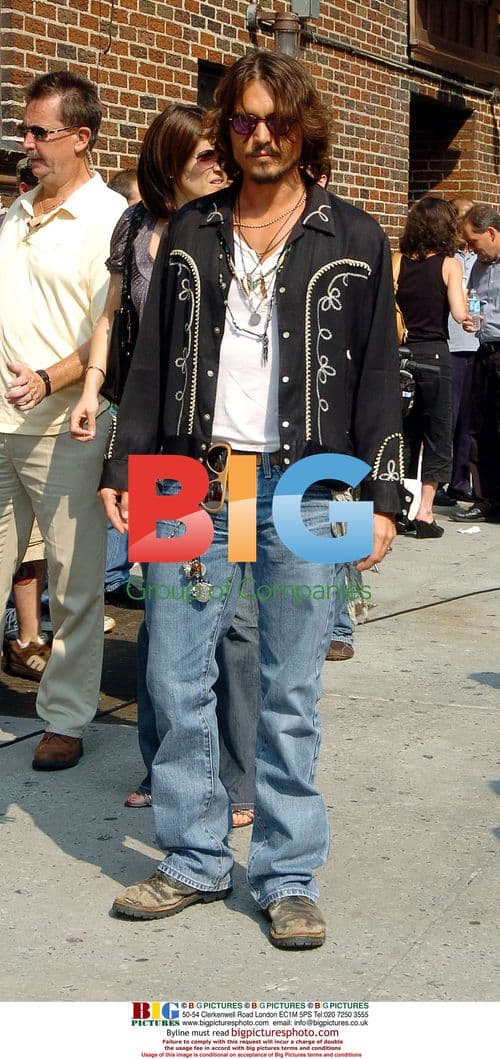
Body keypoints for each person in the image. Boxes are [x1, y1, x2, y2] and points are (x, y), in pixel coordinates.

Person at [100, 50, 402, 949]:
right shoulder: (187, 228)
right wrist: (125, 466)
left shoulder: (356, 235)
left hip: (317, 481)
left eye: (276, 120)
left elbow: (381, 376)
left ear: (306, 126)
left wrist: (382, 494)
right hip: (184, 472)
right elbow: (147, 361)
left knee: (293, 684)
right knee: (172, 671)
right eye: (242, 120)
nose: (259, 135)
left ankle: (286, 872)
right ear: (224, 129)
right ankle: (193, 857)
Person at [71, 103, 260, 826]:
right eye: (206, 152)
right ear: (170, 159)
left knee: (239, 619)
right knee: (164, 613)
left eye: (222, 150)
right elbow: (114, 317)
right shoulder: (138, 231)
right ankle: (163, 765)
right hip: (164, 453)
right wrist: (95, 391)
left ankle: (238, 778)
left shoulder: (236, 225)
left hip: (234, 452)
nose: (220, 160)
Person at [0, 70, 126, 769]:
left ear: (81, 138)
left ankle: (67, 718)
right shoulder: (16, 215)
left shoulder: (111, 220)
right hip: (0, 428)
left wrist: (52, 377)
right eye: (24, 131)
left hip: (67, 429)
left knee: (74, 586)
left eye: (39, 133)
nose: (27, 146)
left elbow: (114, 328)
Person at [395, 196, 467, 538]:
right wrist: (469, 319)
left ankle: (399, 503)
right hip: (435, 354)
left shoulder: (397, 261)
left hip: (401, 355)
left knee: (404, 431)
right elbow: (458, 313)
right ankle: (425, 512)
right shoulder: (450, 264)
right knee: (437, 433)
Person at [448, 205, 500, 523]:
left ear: (492, 233)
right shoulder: (480, 266)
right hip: (484, 350)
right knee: (478, 426)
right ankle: (486, 498)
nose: (470, 249)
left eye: (473, 241)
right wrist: (472, 322)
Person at [434, 197, 478, 508]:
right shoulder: (445, 258)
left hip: (476, 346)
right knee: (443, 419)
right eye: (465, 217)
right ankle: (434, 482)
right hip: (449, 345)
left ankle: (460, 482)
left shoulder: (482, 257)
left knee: (468, 422)